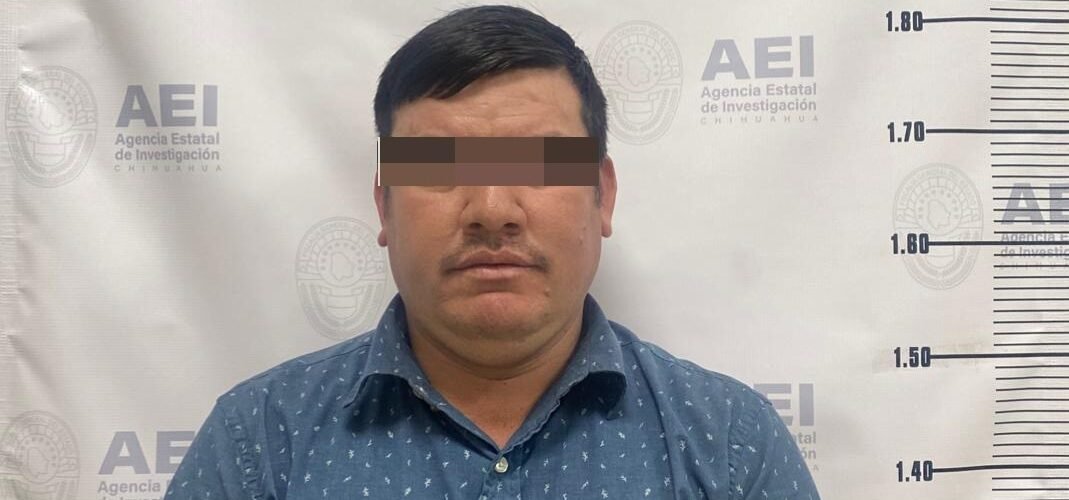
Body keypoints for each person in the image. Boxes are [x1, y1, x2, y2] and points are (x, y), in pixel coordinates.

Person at [164, 5, 820, 499]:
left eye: (538, 164)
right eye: (439, 167)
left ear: (603, 197)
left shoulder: (730, 445)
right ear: (384, 203)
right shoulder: (260, 444)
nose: (491, 209)